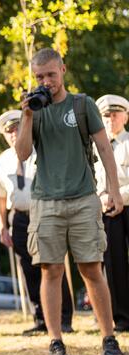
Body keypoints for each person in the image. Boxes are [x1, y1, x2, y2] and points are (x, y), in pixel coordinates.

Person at [15, 48, 124, 355]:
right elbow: (22, 154)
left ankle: (108, 338)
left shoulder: (82, 104)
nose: (46, 81)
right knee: (51, 271)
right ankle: (56, 342)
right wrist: (26, 115)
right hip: (45, 202)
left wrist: (113, 190)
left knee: (91, 268)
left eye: (51, 74)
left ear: (63, 70)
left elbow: (104, 147)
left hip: (83, 198)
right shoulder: (33, 109)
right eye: (39, 77)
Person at [0, 110, 74, 335]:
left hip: (45, 212)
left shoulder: (41, 149)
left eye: (17, 128)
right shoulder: (3, 160)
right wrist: (2, 227)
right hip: (18, 217)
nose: (13, 133)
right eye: (9, 131)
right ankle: (41, 317)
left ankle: (64, 318)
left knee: (53, 265)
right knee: (29, 269)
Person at [93, 94, 129, 332]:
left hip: (127, 204)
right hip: (108, 210)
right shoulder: (95, 146)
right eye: (106, 115)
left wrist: (118, 197)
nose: (111, 119)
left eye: (115, 114)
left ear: (125, 116)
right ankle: (122, 317)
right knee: (114, 264)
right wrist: (102, 198)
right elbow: (92, 179)